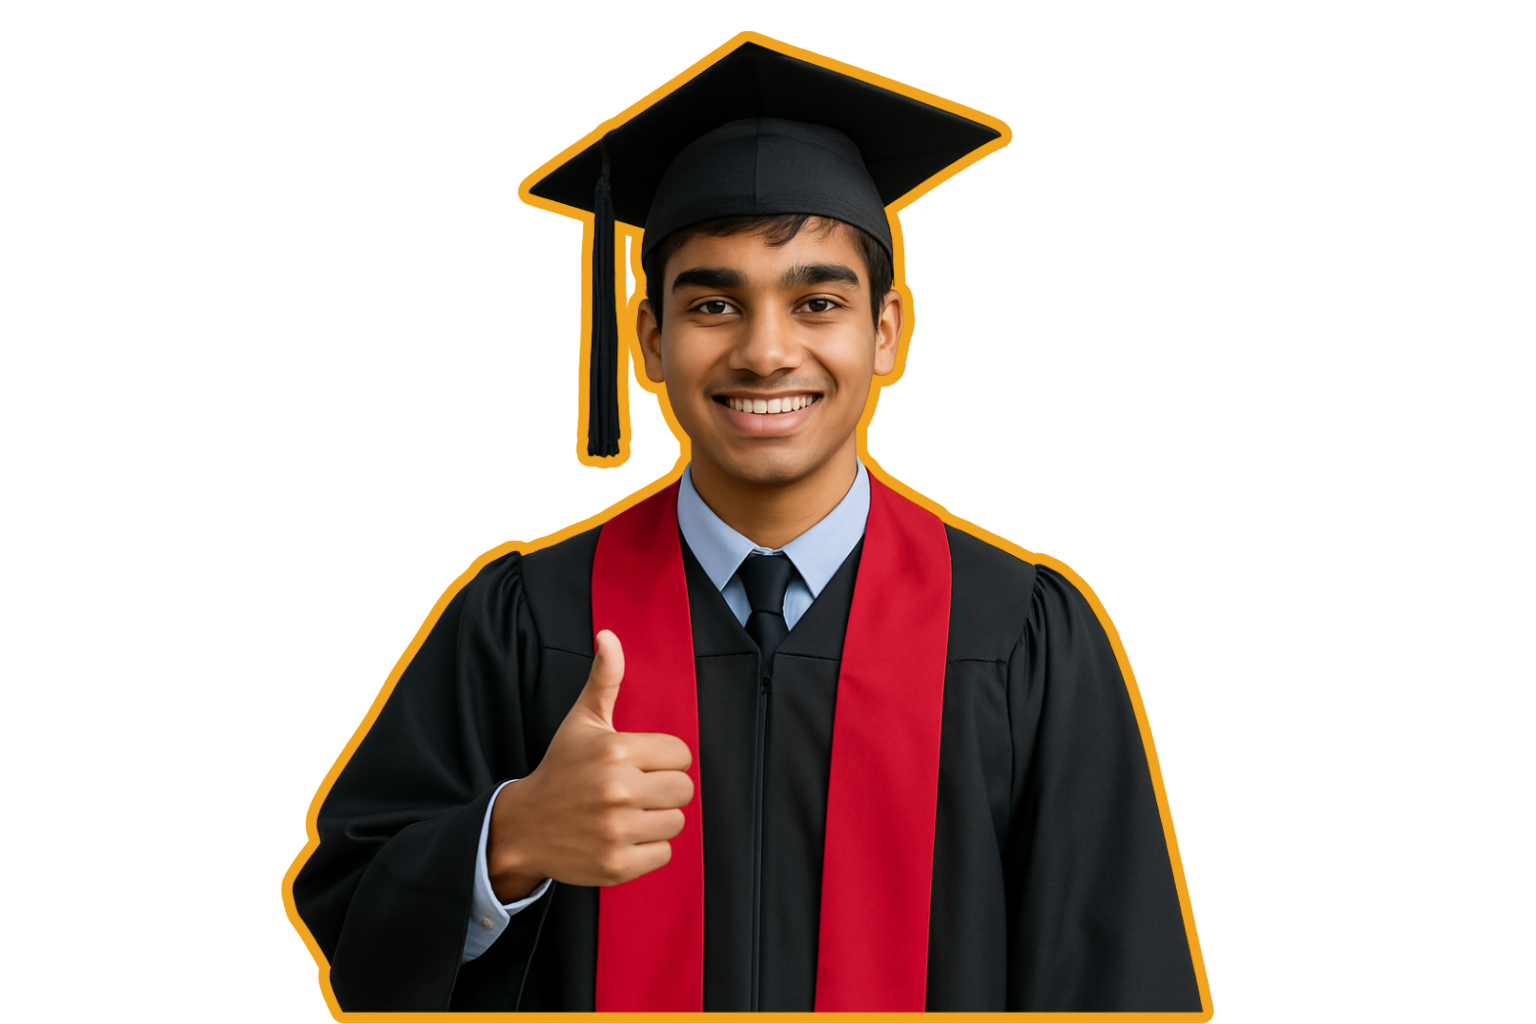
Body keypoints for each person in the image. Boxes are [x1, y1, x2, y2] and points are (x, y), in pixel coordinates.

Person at [287, 33, 1206, 1014]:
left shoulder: (1016, 632)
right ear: (649, 337)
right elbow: (350, 919)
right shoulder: (529, 616)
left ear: (887, 330)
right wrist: (506, 843)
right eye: (715, 303)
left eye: (816, 300)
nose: (767, 351)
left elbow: (1119, 985)